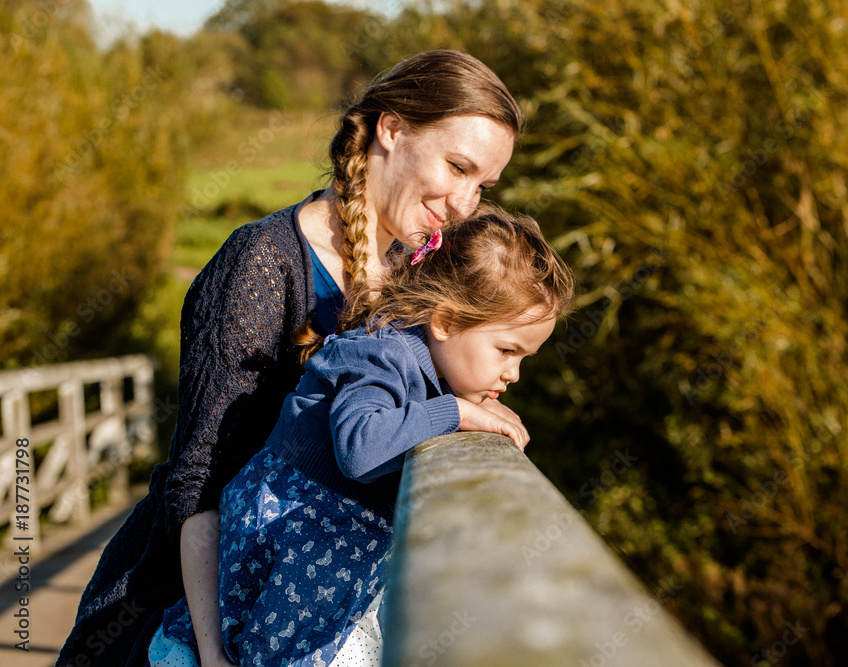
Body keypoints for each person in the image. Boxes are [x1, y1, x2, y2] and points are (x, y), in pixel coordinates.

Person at [57, 50, 524, 667]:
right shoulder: (262, 263)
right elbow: (198, 482)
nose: (465, 202)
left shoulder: (423, 269)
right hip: (184, 618)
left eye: (483, 185)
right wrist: (213, 652)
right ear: (391, 129)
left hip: (297, 619)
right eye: (457, 166)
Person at [152, 208, 576, 666]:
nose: (513, 374)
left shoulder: (426, 363)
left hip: (324, 569)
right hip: (294, 548)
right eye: (506, 351)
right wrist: (454, 411)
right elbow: (361, 448)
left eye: (523, 359)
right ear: (447, 322)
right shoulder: (380, 353)